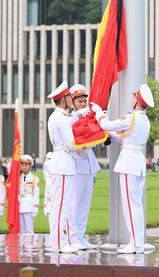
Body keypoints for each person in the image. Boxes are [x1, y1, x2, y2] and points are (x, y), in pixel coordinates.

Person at [92, 83, 154, 254]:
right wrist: (112, 134)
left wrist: (99, 113)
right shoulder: (144, 120)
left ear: (137, 102)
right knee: (136, 205)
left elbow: (106, 125)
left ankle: (134, 243)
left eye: (134, 97)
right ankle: (138, 242)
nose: (132, 99)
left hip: (128, 163)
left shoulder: (131, 118)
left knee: (130, 205)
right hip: (137, 161)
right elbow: (125, 139)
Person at [46, 81, 79, 253]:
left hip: (59, 162)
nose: (72, 101)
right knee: (62, 206)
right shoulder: (63, 119)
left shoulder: (54, 116)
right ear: (64, 99)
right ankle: (59, 243)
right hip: (64, 163)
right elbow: (72, 144)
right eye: (69, 98)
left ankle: (58, 241)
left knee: (59, 205)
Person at [68, 84, 101, 250]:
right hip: (75, 164)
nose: (83, 104)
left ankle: (80, 236)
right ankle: (72, 237)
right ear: (72, 103)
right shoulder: (69, 118)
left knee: (85, 204)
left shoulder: (87, 116)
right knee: (74, 204)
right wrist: (76, 117)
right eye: (79, 101)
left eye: (84, 101)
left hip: (88, 164)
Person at [18, 155, 39, 235]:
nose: (24, 167)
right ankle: (21, 246)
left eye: (26, 165)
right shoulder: (18, 177)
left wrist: (35, 209)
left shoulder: (34, 178)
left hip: (29, 206)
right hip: (20, 205)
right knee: (21, 230)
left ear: (30, 166)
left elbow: (36, 195)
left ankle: (30, 247)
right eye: (22, 165)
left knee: (29, 230)